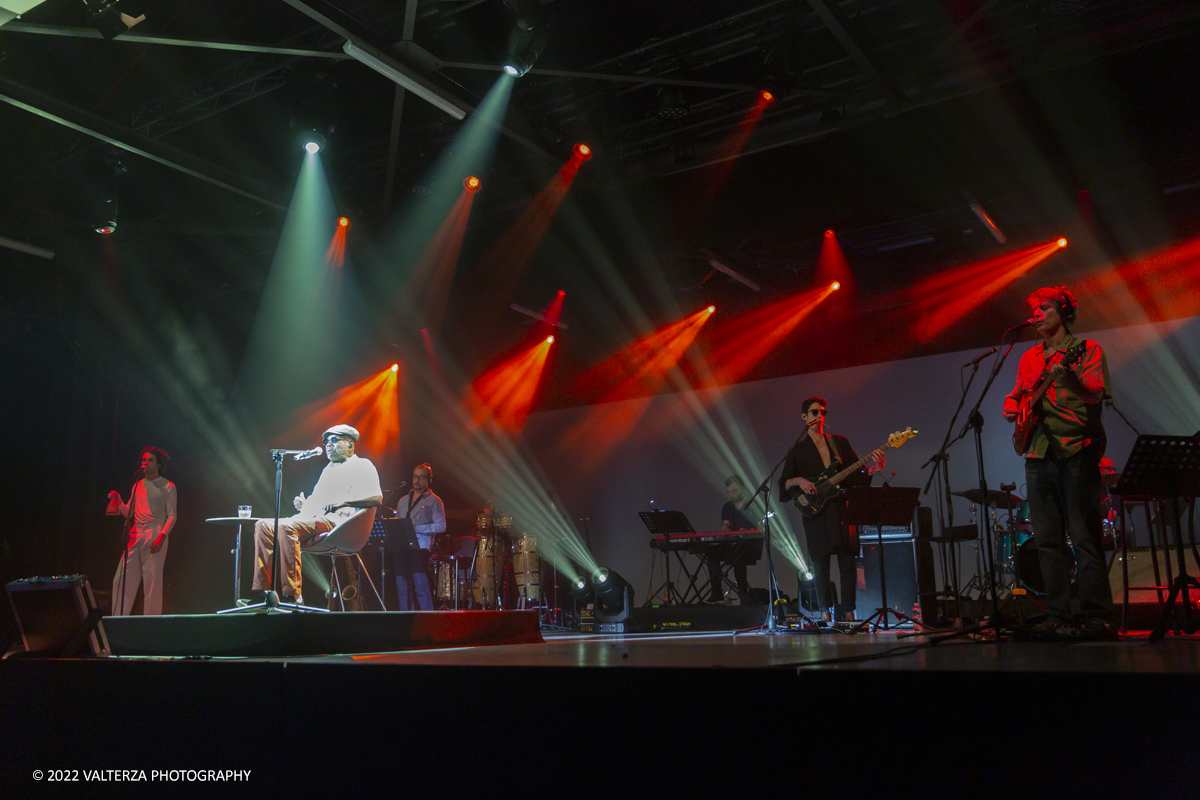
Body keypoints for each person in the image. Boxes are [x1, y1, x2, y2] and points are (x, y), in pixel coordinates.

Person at [1003, 286, 1115, 640]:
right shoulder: (1029, 356)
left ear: (1064, 312)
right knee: (1047, 541)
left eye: (1045, 308)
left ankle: (1098, 616)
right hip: (1037, 453)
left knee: (1084, 537)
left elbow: (1095, 395)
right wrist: (1012, 406)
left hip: (1076, 449)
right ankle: (1058, 616)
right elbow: (1019, 394)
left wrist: (1074, 384)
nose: (1037, 314)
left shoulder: (1086, 350)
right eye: (1034, 309)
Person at [779, 397, 884, 622]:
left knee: (847, 562)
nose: (820, 416)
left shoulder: (839, 443)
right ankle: (825, 611)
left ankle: (848, 612)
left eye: (823, 412)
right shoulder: (797, 451)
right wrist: (799, 480)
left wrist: (875, 469)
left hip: (842, 508)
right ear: (804, 417)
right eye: (814, 412)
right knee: (820, 564)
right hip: (816, 511)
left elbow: (857, 474)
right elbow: (783, 484)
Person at [252, 424, 382, 605]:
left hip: (339, 524)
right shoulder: (328, 469)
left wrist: (344, 503)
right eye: (326, 441)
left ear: (350, 444)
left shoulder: (362, 465)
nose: (328, 444)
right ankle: (265, 592)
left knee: (285, 527)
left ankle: (293, 596)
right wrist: (304, 505)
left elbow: (376, 498)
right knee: (262, 525)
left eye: (334, 440)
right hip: (316, 520)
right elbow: (317, 503)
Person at [106, 446, 177, 615]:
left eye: (150, 460)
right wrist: (118, 500)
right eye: (144, 460)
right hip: (136, 532)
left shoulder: (168, 486)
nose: (145, 463)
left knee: (151, 581)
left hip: (155, 531)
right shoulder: (138, 485)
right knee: (122, 578)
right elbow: (128, 513)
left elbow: (173, 515)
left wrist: (162, 536)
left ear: (158, 464)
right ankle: (118, 619)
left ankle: (150, 623)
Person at [393, 463, 446, 611]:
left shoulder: (435, 501)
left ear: (429, 480)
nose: (417, 480)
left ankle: (427, 621)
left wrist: (416, 528)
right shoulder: (403, 500)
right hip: (401, 546)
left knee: (421, 585)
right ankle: (405, 622)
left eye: (421, 477)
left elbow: (441, 526)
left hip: (419, 547)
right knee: (402, 586)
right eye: (415, 476)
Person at [707, 475, 759, 602]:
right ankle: (716, 592)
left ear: (742, 489)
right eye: (729, 492)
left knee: (738, 555)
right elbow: (725, 525)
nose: (731, 494)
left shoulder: (754, 505)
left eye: (734, 490)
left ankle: (743, 595)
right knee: (711, 553)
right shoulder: (727, 507)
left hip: (748, 547)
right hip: (732, 546)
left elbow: (761, 528)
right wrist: (727, 531)